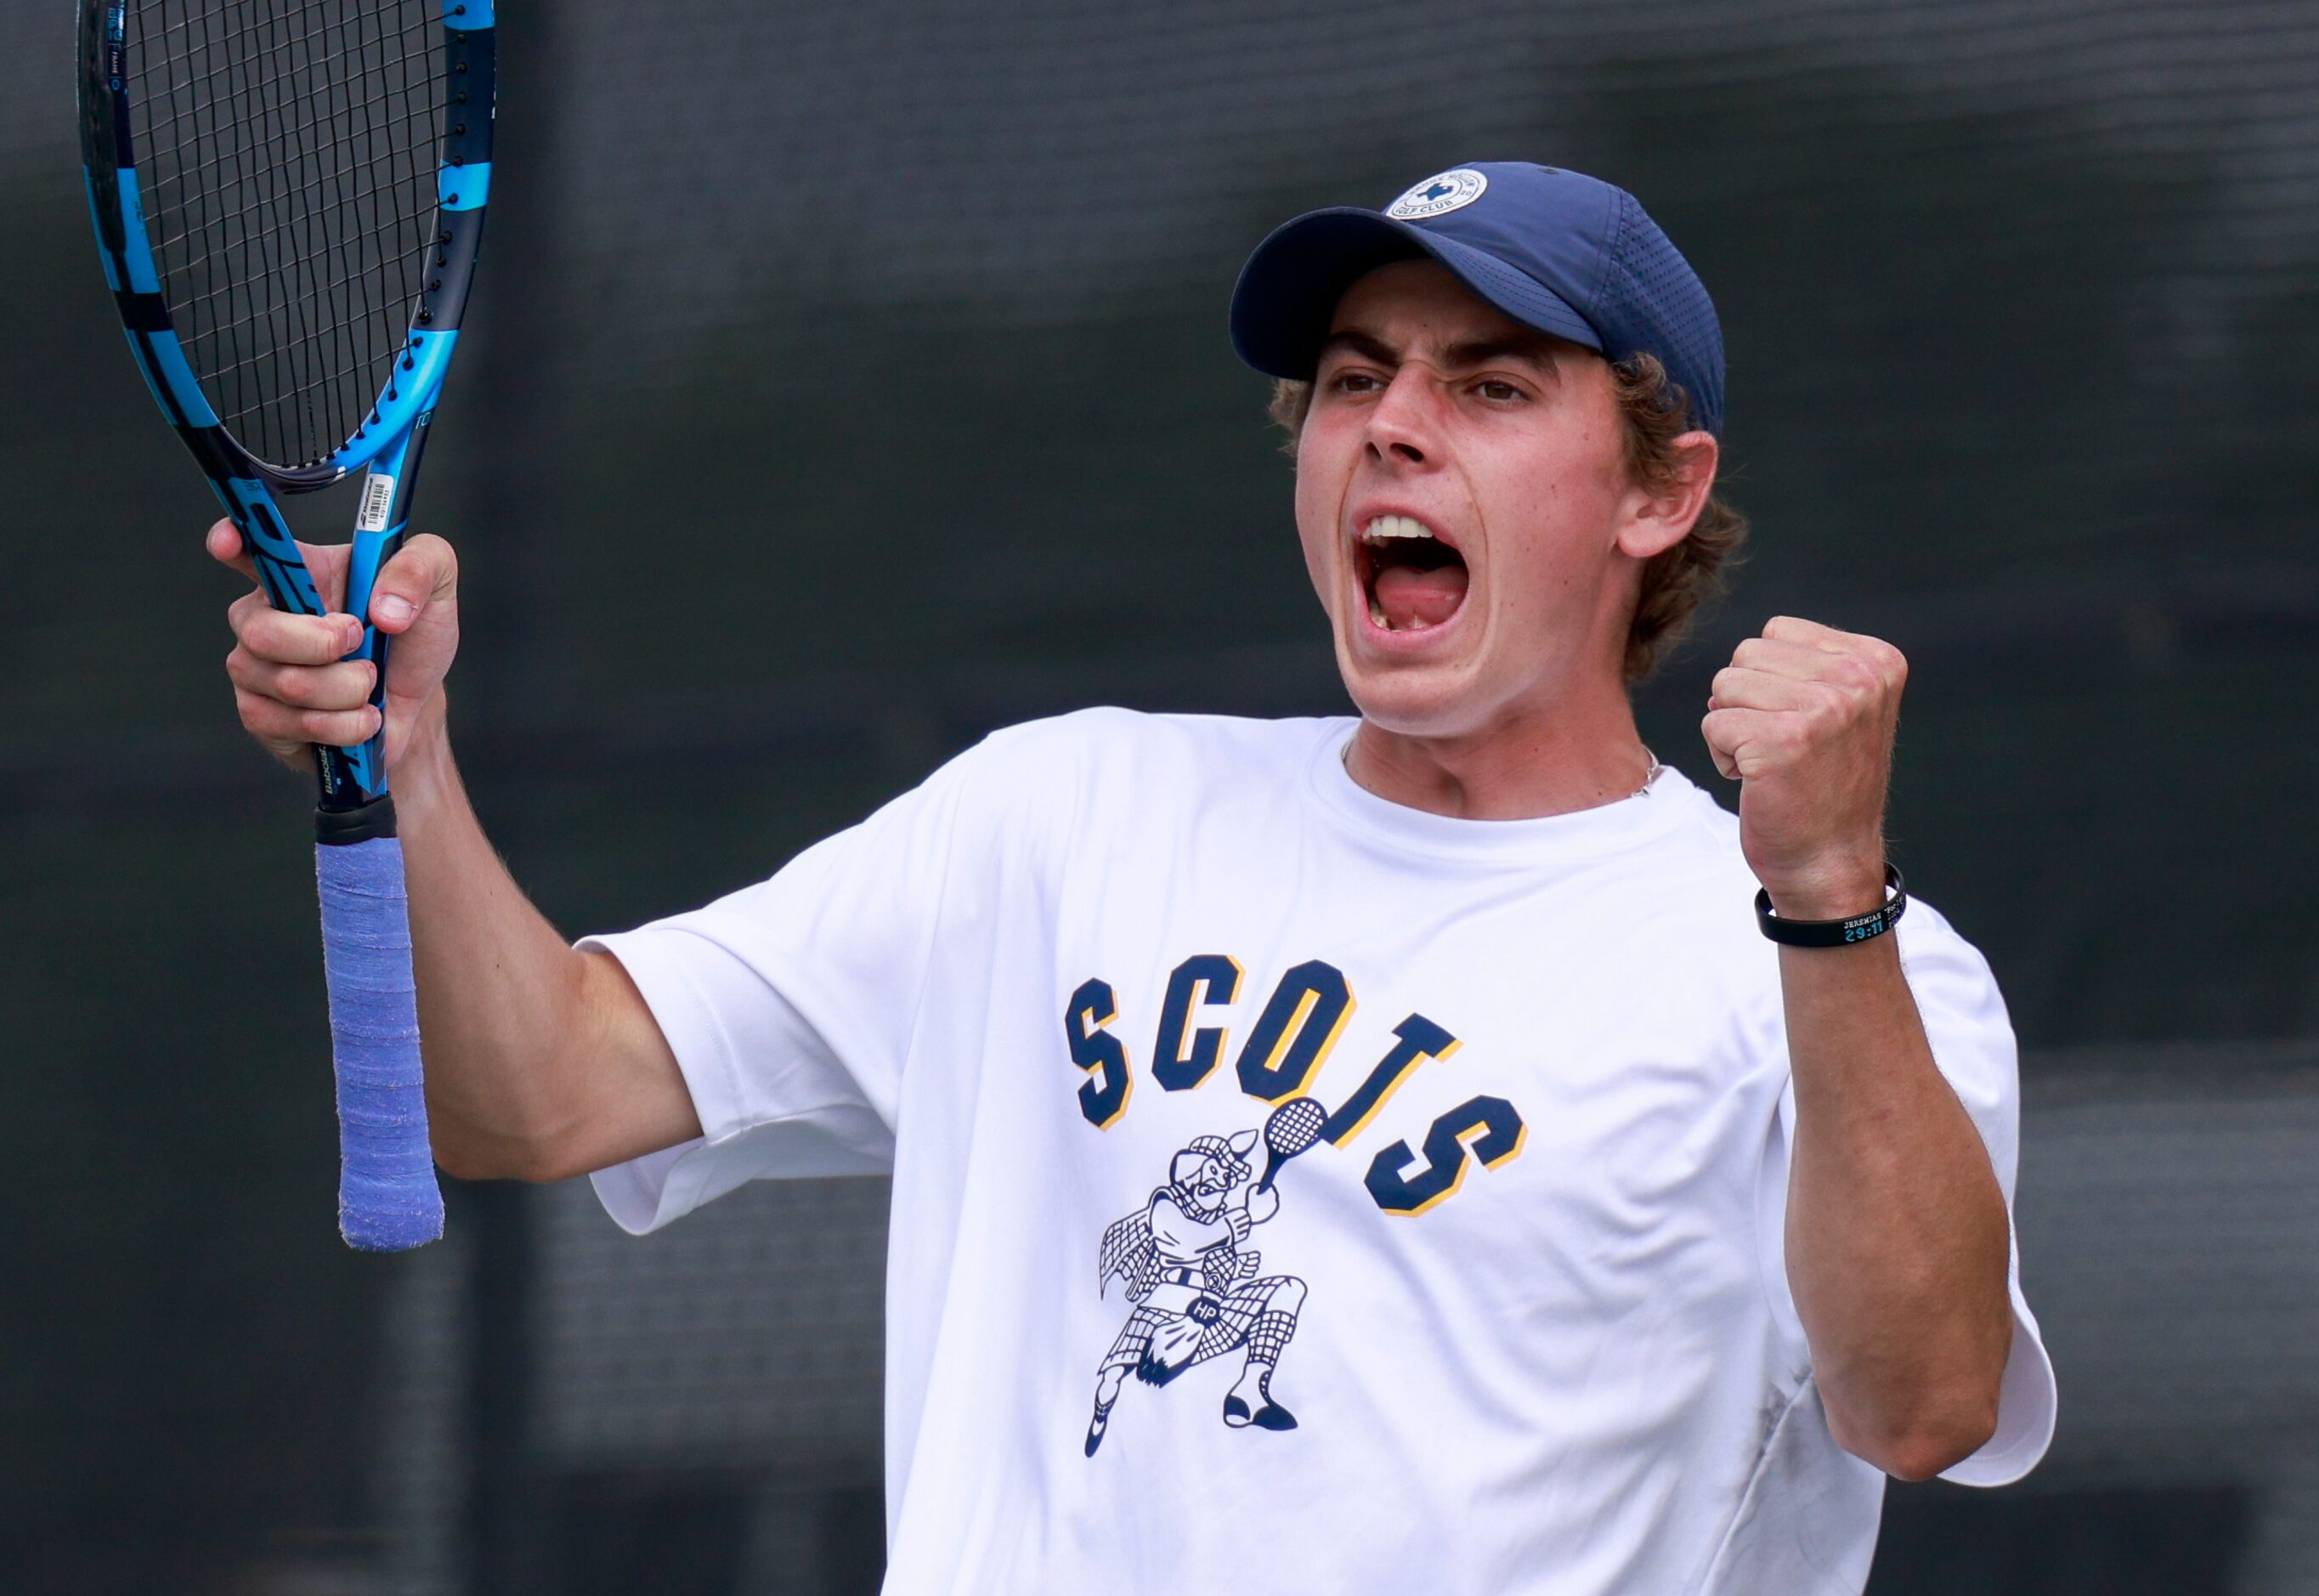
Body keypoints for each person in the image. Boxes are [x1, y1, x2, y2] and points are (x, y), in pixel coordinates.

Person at [212, 161, 2055, 1593]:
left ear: (1660, 492)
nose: (1391, 424)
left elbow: (1923, 1406)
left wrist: (1823, 890)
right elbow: (532, 1091)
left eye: (1490, 384)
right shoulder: (1062, 816)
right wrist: (412, 764)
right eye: (1351, 380)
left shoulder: (1824, 963)